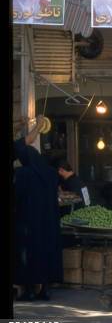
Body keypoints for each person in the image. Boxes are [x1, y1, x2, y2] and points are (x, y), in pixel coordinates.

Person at [12, 115, 63, 301]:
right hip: (48, 221)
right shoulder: (50, 174)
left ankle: (28, 290)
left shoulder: (23, 174)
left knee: (27, 255)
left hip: (26, 221)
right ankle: (44, 289)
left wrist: (35, 126)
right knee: (45, 252)